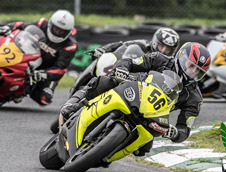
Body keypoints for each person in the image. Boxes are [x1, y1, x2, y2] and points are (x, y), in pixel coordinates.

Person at [60, 42, 211, 157]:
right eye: (191, 66)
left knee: (143, 150)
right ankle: (76, 104)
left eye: (199, 71)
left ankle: (104, 155)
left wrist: (175, 133)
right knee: (106, 81)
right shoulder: (160, 59)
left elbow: (185, 128)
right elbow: (130, 62)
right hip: (131, 88)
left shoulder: (194, 97)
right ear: (181, 56)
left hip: (151, 114)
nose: (193, 72)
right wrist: (122, 71)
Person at [0, 9, 77, 105]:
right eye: (55, 28)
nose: (57, 32)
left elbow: (60, 69)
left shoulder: (70, 46)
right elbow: (22, 26)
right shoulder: (42, 24)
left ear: (68, 32)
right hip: (27, 57)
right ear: (50, 24)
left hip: (45, 70)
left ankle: (23, 91)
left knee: (44, 99)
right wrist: (8, 27)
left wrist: (43, 74)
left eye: (61, 31)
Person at [87, 27, 180, 59]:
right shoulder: (143, 44)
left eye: (168, 49)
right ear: (155, 43)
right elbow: (121, 44)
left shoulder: (170, 62)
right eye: (162, 46)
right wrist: (104, 50)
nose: (163, 51)